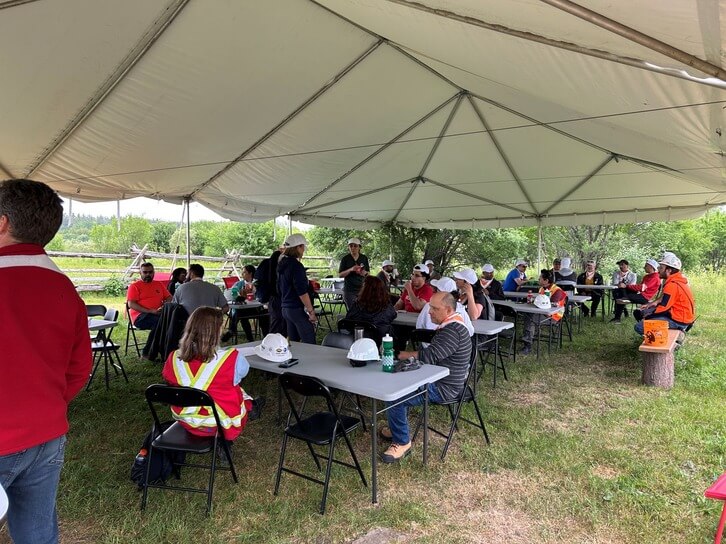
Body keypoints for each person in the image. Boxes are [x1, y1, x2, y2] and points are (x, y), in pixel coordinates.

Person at [0, 179, 92, 544]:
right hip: (47, 432)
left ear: (2, 222)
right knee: (37, 533)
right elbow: (79, 368)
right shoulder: (64, 286)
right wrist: (46, 403)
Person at [379, 292, 471, 463]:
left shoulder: (452, 331)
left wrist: (400, 354)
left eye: (435, 309)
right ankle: (397, 427)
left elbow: (429, 357)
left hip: (445, 388)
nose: (430, 313)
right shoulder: (452, 325)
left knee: (395, 395)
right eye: (430, 308)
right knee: (400, 383)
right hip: (438, 379)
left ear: (449, 309)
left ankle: (402, 442)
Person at [162, 307, 253, 443]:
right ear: (216, 332)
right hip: (220, 424)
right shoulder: (232, 358)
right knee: (237, 389)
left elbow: (168, 380)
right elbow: (241, 375)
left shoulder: (172, 358)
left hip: (187, 420)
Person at [634, 252, 695, 335]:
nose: (658, 270)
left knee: (639, 327)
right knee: (644, 312)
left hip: (679, 321)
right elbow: (665, 299)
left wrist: (648, 317)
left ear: (668, 270)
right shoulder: (677, 280)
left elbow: (663, 308)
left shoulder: (672, 285)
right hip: (679, 316)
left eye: (661, 268)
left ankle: (661, 339)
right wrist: (652, 304)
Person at [278, 233, 317, 344]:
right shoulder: (296, 266)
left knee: (294, 344)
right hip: (295, 308)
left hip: (285, 308)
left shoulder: (282, 264)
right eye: (303, 246)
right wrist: (311, 311)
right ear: (298, 247)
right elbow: (302, 292)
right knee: (309, 343)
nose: (304, 249)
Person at [127, 262, 173, 355]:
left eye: (150, 272)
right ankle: (148, 352)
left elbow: (169, 297)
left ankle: (167, 350)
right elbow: (131, 304)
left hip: (157, 314)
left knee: (171, 321)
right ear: (140, 273)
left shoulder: (158, 284)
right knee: (160, 323)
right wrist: (150, 311)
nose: (148, 274)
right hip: (140, 316)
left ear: (154, 272)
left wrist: (164, 306)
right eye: (145, 272)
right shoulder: (134, 286)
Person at [520, 269, 568, 355]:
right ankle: (529, 335)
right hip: (543, 313)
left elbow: (550, 307)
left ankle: (528, 344)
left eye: (540, 278)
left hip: (554, 316)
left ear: (546, 281)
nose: (538, 279)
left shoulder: (557, 291)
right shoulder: (542, 288)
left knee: (530, 318)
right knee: (527, 315)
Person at [392, 264, 435, 351]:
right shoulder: (409, 288)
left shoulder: (427, 289)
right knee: (392, 329)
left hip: (418, 325)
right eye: (412, 274)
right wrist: (390, 312)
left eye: (417, 276)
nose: (413, 278)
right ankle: (396, 355)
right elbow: (399, 304)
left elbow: (418, 306)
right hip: (404, 321)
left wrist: (409, 290)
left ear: (424, 278)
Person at [223, 264, 269, 342]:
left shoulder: (258, 284)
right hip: (244, 309)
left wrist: (256, 294)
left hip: (256, 308)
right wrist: (239, 296)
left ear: (250, 273)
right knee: (240, 313)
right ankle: (249, 338)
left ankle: (266, 336)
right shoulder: (239, 284)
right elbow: (232, 294)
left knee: (264, 315)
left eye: (244, 272)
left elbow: (263, 296)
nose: (242, 274)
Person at [610, 259, 661, 323]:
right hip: (641, 294)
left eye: (646, 266)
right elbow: (640, 287)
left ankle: (617, 318)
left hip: (645, 297)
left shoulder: (655, 278)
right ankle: (618, 317)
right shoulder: (647, 276)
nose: (644, 267)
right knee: (620, 294)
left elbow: (641, 287)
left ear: (651, 267)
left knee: (620, 295)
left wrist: (626, 286)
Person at [256, 246, 287, 337]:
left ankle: (272, 342)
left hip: (270, 298)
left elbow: (257, 278)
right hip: (279, 298)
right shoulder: (279, 267)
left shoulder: (265, 264)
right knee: (280, 325)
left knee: (276, 323)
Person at [338, 237, 370, 310]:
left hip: (362, 289)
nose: (353, 248)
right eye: (351, 246)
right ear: (348, 247)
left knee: (363, 310)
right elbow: (340, 275)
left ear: (359, 247)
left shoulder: (364, 258)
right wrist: (351, 269)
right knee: (353, 310)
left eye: (355, 246)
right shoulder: (345, 259)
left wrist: (363, 273)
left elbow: (368, 273)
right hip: (349, 290)